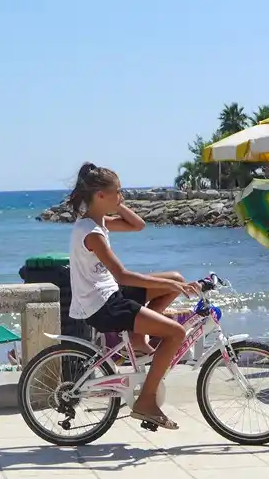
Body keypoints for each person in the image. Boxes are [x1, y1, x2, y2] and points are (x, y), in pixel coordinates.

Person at [67, 162, 200, 430]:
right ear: (100, 196)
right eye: (117, 192)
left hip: (108, 293)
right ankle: (147, 402)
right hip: (104, 305)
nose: (122, 196)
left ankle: (138, 337)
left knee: (174, 278)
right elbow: (123, 275)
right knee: (176, 334)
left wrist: (116, 205)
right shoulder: (92, 234)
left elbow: (138, 225)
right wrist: (177, 291)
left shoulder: (97, 221)